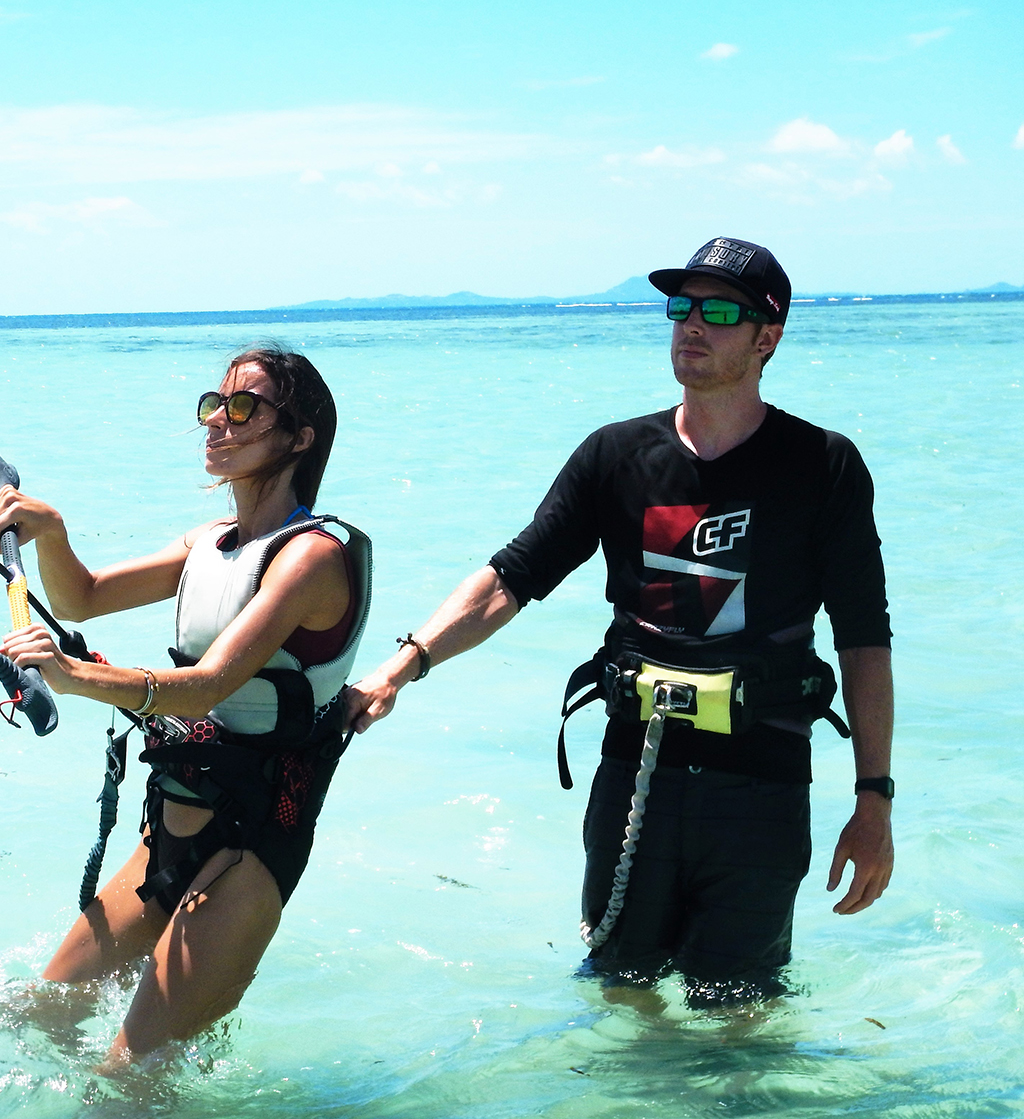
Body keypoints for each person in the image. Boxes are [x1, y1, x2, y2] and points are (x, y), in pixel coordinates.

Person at [347, 237, 894, 1005]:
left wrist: (874, 799)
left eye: (719, 311)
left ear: (768, 336)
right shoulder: (615, 455)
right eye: (681, 305)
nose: (691, 324)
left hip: (761, 788)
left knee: (741, 1013)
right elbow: (511, 578)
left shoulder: (823, 465)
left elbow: (864, 637)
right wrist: (399, 668)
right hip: (636, 775)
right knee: (621, 997)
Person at [0, 345, 370, 1067]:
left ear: (299, 437)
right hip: (174, 825)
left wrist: (71, 675)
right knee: (35, 1014)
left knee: (125, 1082)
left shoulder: (312, 557)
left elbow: (210, 685)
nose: (217, 424)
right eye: (213, 406)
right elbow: (83, 596)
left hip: (251, 849)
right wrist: (51, 533)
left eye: (243, 408)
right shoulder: (208, 544)